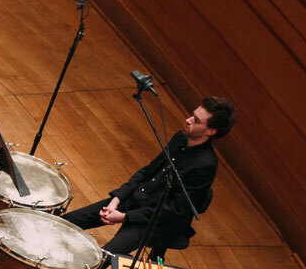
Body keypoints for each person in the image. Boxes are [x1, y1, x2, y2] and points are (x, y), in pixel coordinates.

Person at [62, 97, 233, 255]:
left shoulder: (206, 165)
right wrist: (117, 200)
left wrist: (124, 217)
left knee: (100, 259)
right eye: (192, 115)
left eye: (196, 120)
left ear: (210, 131)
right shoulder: (180, 138)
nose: (188, 120)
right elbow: (147, 172)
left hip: (155, 221)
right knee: (65, 223)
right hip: (136, 200)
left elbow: (173, 210)